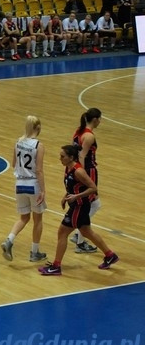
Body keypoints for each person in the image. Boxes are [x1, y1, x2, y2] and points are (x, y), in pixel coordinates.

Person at [38, 144, 119, 276]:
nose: (60, 158)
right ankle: (110, 255)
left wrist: (77, 196)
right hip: (77, 205)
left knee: (62, 233)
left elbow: (93, 188)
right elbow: (73, 186)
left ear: (71, 157)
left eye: (62, 156)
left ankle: (56, 266)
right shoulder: (68, 168)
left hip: (80, 206)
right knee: (87, 232)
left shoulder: (78, 171)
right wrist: (65, 196)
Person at [1, 116, 48, 263]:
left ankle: (9, 240)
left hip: (19, 184)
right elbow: (39, 170)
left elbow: (14, 163)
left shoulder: (18, 142)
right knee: (38, 219)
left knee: (24, 217)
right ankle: (34, 252)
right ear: (38, 128)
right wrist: (43, 190)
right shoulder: (38, 145)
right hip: (33, 183)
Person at [70, 108, 103, 254]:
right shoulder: (89, 136)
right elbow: (82, 156)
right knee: (92, 205)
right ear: (95, 119)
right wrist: (82, 175)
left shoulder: (78, 131)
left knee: (94, 203)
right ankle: (80, 240)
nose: (100, 121)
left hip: (78, 168)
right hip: (87, 170)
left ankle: (78, 234)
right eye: (100, 118)